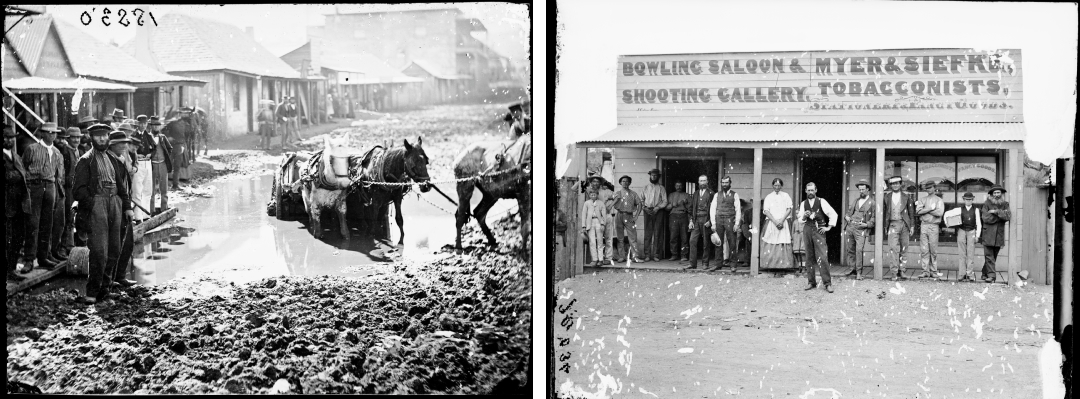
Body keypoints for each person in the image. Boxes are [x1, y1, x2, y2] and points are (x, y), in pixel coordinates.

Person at [73, 125, 132, 304]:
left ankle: (105, 290)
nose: (102, 139)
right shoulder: (86, 160)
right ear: (91, 138)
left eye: (105, 136)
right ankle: (92, 293)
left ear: (108, 138)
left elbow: (121, 187)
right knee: (99, 251)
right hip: (97, 205)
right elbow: (79, 190)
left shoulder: (112, 159)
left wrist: (127, 207)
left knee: (114, 249)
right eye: (98, 136)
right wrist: (93, 205)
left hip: (115, 203)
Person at [20, 121, 65, 272]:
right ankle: (28, 260)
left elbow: (60, 175)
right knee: (33, 224)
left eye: (54, 133)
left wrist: (59, 194)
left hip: (51, 187)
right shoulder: (31, 149)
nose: (52, 135)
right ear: (42, 133)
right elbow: (23, 168)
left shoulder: (58, 152)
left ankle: (43, 256)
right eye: (49, 132)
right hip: (34, 187)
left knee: (48, 223)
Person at [108, 130, 140, 289]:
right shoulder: (108, 160)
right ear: (111, 145)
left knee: (127, 243)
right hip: (113, 206)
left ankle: (120, 276)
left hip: (123, 204)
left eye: (125, 143)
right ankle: (110, 279)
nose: (124, 146)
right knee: (114, 244)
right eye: (120, 143)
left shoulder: (120, 160)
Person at [798, 182, 838, 293]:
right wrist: (804, 216)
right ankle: (811, 282)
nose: (810, 192)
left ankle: (827, 283)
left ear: (816, 190)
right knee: (809, 257)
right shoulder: (803, 204)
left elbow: (833, 214)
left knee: (822, 257)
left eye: (812, 190)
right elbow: (800, 220)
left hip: (819, 230)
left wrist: (828, 227)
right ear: (805, 191)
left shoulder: (821, 201)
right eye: (808, 190)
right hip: (807, 230)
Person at [5, 123, 31, 281]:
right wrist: (20, 174)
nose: (9, 141)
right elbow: (9, 176)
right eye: (6, 138)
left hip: (18, 204)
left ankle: (12, 269)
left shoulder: (15, 156)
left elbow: (20, 174)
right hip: (7, 205)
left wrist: (18, 174)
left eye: (11, 138)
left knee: (17, 238)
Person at [50, 127, 80, 262]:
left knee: (72, 217)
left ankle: (69, 245)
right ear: (68, 139)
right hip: (67, 189)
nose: (76, 140)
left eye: (78, 138)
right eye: (73, 137)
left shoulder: (76, 151)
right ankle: (62, 247)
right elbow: (63, 173)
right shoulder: (66, 152)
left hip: (75, 189)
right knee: (67, 217)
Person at [883, 175, 916, 281]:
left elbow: (911, 213)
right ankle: (893, 272)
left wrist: (912, 226)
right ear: (890, 185)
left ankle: (902, 270)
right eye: (893, 184)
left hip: (904, 225)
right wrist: (885, 226)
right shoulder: (886, 197)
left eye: (897, 183)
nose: (895, 185)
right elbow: (884, 213)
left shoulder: (907, 197)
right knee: (892, 248)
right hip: (892, 224)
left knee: (904, 248)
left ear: (901, 184)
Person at [843, 179, 875, 279]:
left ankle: (859, 272)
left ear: (868, 189)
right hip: (850, 226)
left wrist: (867, 225)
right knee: (850, 249)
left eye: (863, 189)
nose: (861, 191)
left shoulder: (872, 202)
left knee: (859, 250)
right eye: (859, 189)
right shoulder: (856, 200)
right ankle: (852, 268)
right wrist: (847, 217)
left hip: (861, 229)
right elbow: (849, 212)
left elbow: (874, 217)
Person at [709, 176, 741, 272]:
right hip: (718, 220)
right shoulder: (716, 195)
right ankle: (718, 264)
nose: (724, 184)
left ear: (730, 183)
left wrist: (737, 223)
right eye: (723, 183)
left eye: (726, 182)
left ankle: (733, 265)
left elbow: (738, 210)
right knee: (718, 242)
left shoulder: (735, 195)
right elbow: (712, 209)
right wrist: (713, 223)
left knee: (732, 243)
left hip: (730, 220)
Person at [980, 184, 1010, 283]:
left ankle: (985, 273)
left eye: (998, 192)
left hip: (998, 235)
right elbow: (985, 218)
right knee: (989, 256)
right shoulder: (986, 204)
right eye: (995, 193)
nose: (996, 195)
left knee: (993, 256)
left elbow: (1008, 216)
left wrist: (996, 212)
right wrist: (1000, 217)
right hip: (988, 233)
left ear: (1001, 193)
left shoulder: (1005, 204)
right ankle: (992, 276)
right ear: (991, 194)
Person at [915, 180, 946, 280]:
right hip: (924, 225)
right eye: (927, 188)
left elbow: (940, 212)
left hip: (933, 225)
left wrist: (926, 210)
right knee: (924, 249)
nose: (929, 189)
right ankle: (925, 271)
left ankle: (933, 271)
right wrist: (930, 209)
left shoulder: (939, 200)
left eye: (930, 187)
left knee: (933, 249)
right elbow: (918, 211)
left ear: (934, 188)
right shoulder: (922, 199)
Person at [761, 178, 794, 269]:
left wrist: (782, 220)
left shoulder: (786, 196)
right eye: (775, 185)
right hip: (772, 222)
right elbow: (766, 211)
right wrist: (775, 222)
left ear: (781, 186)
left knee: (784, 240)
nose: (777, 187)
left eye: (779, 185)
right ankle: (771, 265)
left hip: (784, 222)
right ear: (772, 186)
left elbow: (789, 208)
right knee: (772, 240)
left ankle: (784, 265)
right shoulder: (769, 197)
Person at [118, 123, 148, 222]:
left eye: (129, 132)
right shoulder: (120, 147)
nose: (127, 133)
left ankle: (131, 218)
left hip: (130, 177)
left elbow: (136, 163)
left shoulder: (132, 149)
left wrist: (135, 168)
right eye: (125, 131)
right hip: (121, 176)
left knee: (129, 195)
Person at [612, 175, 645, 263]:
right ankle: (622, 256)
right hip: (619, 215)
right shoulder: (617, 193)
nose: (625, 183)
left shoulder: (633, 194)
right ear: (620, 183)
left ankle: (635, 257)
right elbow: (611, 201)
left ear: (630, 183)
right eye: (623, 181)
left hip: (629, 215)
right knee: (620, 237)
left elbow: (640, 204)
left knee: (633, 237)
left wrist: (636, 216)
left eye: (627, 181)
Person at [686, 175, 715, 270]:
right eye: (701, 181)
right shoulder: (695, 193)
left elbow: (714, 209)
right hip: (696, 220)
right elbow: (691, 208)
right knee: (692, 240)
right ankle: (692, 263)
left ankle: (705, 263)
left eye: (704, 181)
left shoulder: (711, 193)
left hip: (706, 220)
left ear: (707, 182)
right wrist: (691, 221)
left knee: (706, 242)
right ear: (698, 182)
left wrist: (710, 221)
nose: (702, 183)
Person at [586, 175, 616, 265]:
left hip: (606, 216)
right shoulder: (588, 191)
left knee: (608, 237)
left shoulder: (606, 191)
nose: (595, 183)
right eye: (593, 181)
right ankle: (596, 259)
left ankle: (608, 257)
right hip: (594, 218)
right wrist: (582, 180)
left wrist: (610, 206)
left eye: (597, 181)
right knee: (594, 239)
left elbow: (618, 196)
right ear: (591, 183)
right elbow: (574, 189)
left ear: (600, 183)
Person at [146, 116, 173, 214]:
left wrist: (166, 157)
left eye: (158, 126)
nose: (156, 128)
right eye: (154, 126)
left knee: (164, 189)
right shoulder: (147, 137)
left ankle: (164, 209)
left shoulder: (163, 137)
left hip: (162, 165)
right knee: (151, 190)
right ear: (151, 126)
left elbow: (170, 149)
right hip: (151, 166)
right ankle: (151, 211)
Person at [640, 169, 667, 262]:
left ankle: (656, 255)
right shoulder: (645, 188)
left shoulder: (661, 188)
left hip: (658, 211)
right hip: (647, 211)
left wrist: (658, 207)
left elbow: (665, 201)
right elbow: (641, 200)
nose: (653, 177)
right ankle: (647, 255)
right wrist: (645, 208)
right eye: (652, 175)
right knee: (648, 233)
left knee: (657, 233)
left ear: (658, 177)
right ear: (650, 176)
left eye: (655, 176)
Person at [956, 191, 982, 282]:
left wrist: (977, 235)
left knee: (970, 253)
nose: (968, 201)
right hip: (962, 231)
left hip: (971, 231)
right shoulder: (960, 209)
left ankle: (970, 274)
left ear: (972, 200)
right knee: (962, 253)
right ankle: (962, 274)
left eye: (970, 199)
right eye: (966, 199)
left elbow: (979, 223)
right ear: (964, 200)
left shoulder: (976, 210)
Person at [665, 181, 691, 261]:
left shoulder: (687, 195)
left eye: (680, 185)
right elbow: (666, 208)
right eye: (677, 185)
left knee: (684, 237)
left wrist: (685, 204)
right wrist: (672, 205)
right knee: (673, 236)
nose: (678, 187)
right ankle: (674, 254)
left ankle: (684, 255)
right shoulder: (671, 195)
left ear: (683, 186)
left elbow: (690, 208)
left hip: (683, 215)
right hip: (673, 216)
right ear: (674, 186)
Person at [581, 188, 607, 267]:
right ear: (589, 195)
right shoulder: (587, 203)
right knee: (592, 242)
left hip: (599, 222)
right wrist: (584, 226)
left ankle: (601, 259)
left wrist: (603, 224)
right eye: (591, 194)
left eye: (594, 194)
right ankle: (595, 259)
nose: (593, 196)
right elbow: (584, 215)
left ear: (597, 195)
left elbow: (604, 215)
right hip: (590, 222)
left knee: (600, 241)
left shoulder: (601, 203)